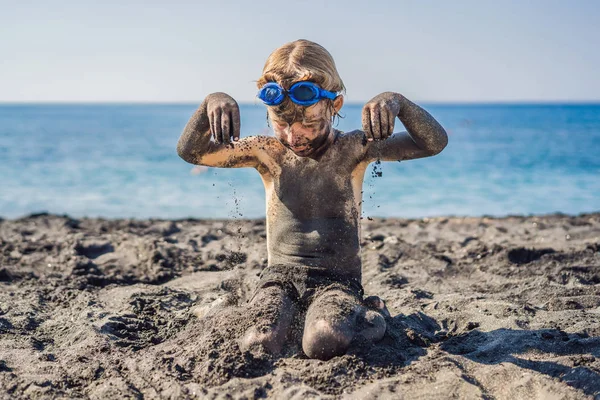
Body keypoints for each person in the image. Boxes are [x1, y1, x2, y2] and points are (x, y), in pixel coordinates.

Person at [177, 39, 448, 360]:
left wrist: (396, 101)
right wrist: (212, 101)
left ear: (335, 105)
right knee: (258, 341)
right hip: (279, 278)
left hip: (337, 280)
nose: (295, 136)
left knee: (323, 341)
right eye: (282, 124)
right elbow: (191, 151)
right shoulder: (267, 152)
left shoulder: (355, 148)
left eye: (308, 122)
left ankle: (371, 315)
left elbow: (433, 143)